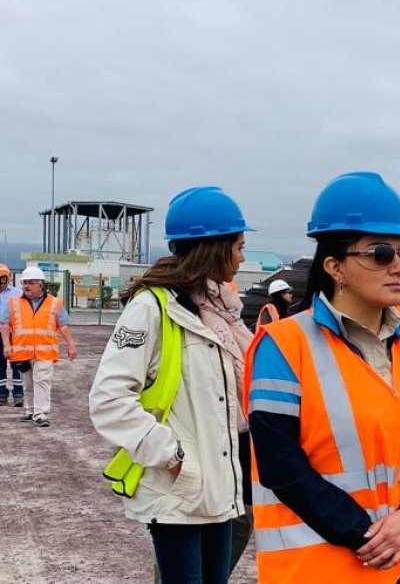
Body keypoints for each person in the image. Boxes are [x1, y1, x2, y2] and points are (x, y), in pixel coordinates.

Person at [246, 171, 400, 584]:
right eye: (379, 254)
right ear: (335, 267)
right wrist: (365, 535)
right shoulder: (285, 345)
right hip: (323, 566)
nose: (397, 267)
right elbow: (280, 465)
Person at [89, 186, 253, 584]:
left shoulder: (220, 309)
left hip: (221, 485)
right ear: (214, 246)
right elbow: (109, 400)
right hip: (181, 488)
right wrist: (175, 457)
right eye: (239, 246)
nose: (243, 257)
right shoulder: (153, 307)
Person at [1, 266, 75, 426]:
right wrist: (7, 345)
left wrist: (70, 345)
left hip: (45, 352)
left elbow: (63, 325)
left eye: (30, 282)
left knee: (42, 380)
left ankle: (41, 413)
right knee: (28, 383)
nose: (26, 286)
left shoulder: (55, 303)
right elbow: (5, 325)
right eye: (24, 283)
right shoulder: (13, 302)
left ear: (41, 285)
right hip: (23, 351)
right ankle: (30, 410)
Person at [0, 265, 23, 407]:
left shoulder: (17, 294)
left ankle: (18, 394)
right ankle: (1, 394)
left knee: (17, 364)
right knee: (0, 365)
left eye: (3, 279)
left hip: (14, 333)